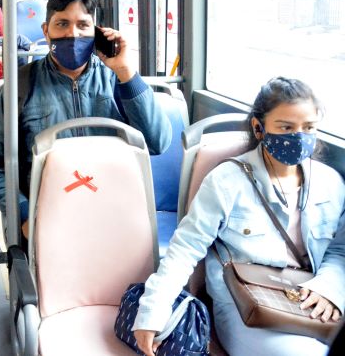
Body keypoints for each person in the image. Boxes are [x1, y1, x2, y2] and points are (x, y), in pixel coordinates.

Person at [133, 77, 345, 356]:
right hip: (245, 307)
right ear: (259, 128)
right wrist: (153, 311)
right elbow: (186, 248)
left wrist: (329, 289)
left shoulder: (330, 183)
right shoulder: (226, 181)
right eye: (286, 127)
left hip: (310, 300)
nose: (299, 137)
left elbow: (339, 250)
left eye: (308, 128)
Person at [0, 0, 171, 237]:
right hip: (45, 213)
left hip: (112, 208)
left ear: (96, 32)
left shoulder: (117, 80)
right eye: (62, 24)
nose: (73, 34)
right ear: (46, 31)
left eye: (83, 25)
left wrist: (125, 71)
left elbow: (157, 142)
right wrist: (23, 212)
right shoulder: (20, 86)